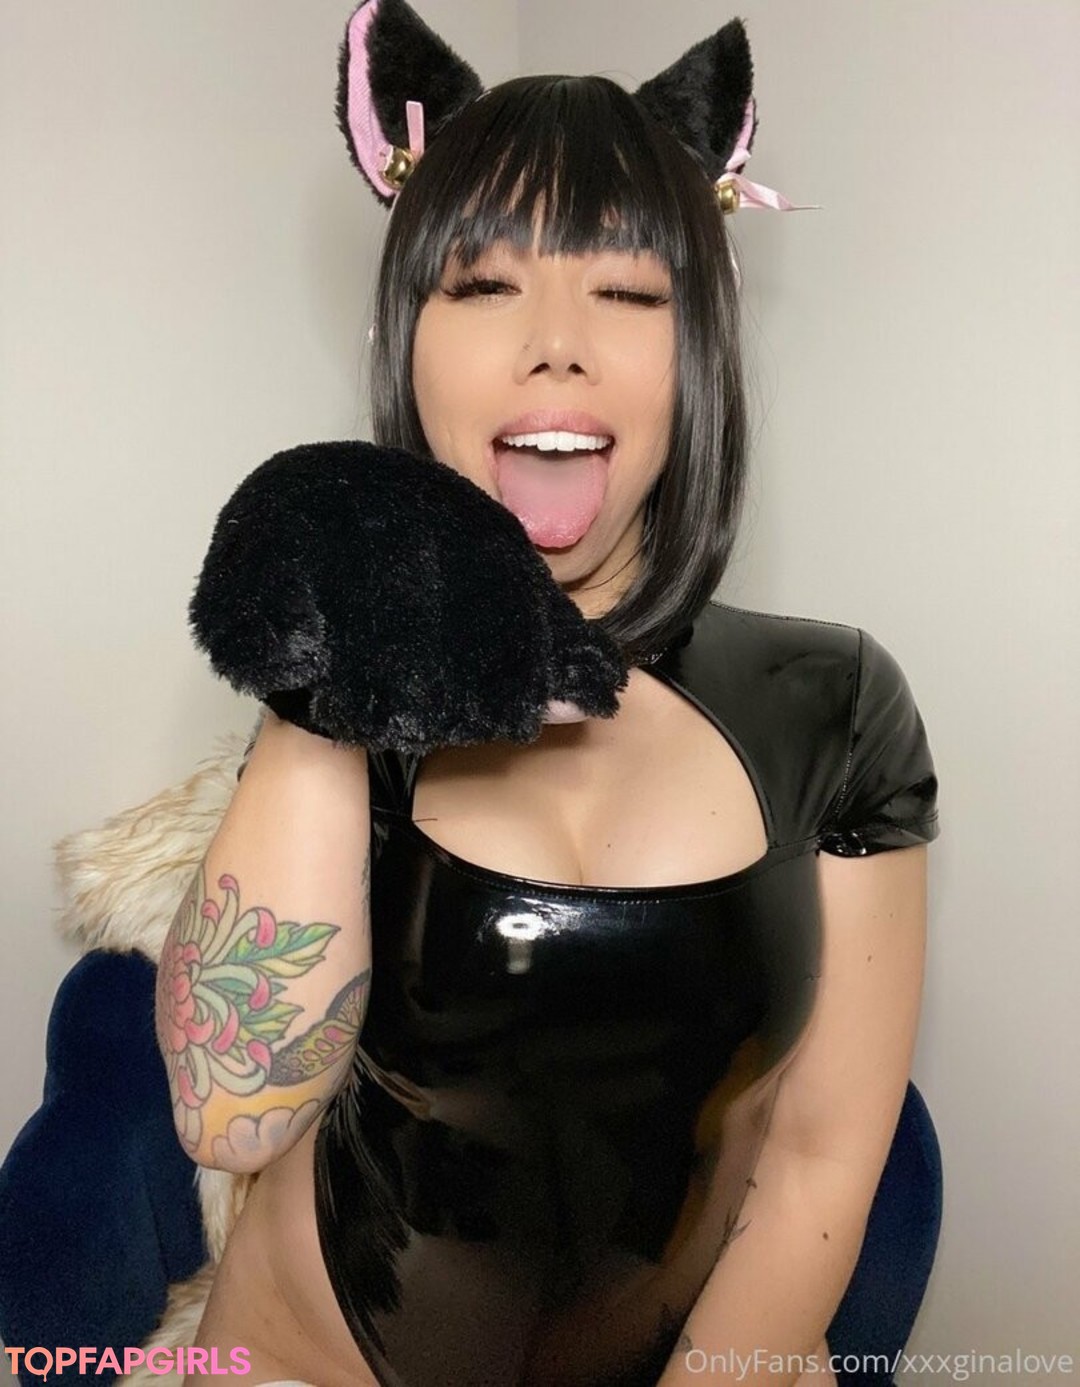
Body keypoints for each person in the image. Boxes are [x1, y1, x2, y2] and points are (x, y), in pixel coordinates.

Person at [159, 3, 939, 1384]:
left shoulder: (838, 702)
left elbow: (821, 1160)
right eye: (483, 287)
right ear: (407, 338)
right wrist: (323, 681)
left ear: (698, 350)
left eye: (629, 293)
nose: (558, 343)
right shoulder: (341, 703)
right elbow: (228, 1118)